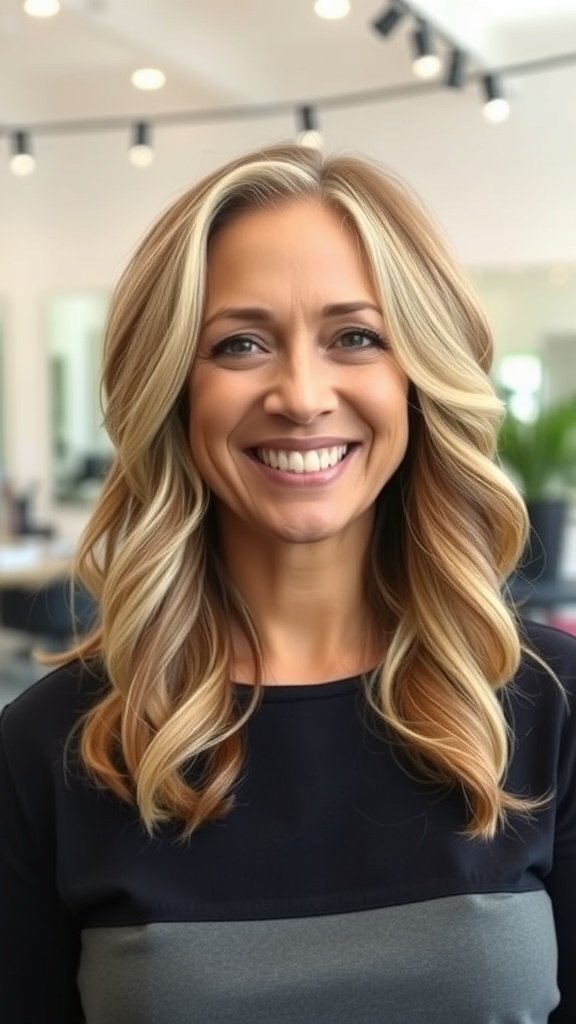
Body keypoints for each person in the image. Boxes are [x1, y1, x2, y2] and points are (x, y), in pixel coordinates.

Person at [0, 142, 574, 1024]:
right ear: (173, 391)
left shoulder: (550, 710)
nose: (302, 395)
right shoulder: (49, 750)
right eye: (240, 343)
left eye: (355, 336)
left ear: (418, 378)